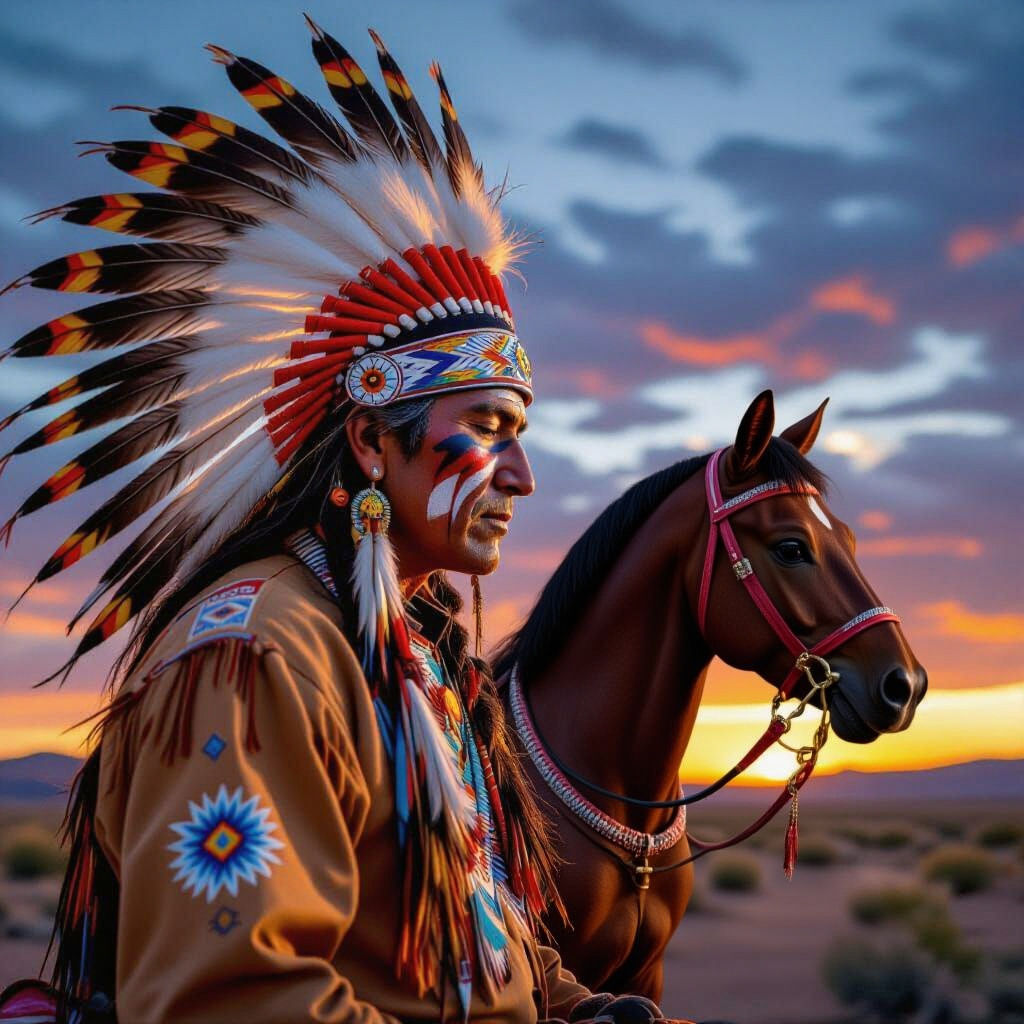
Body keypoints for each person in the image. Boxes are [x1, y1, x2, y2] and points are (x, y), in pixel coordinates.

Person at [0, 18, 695, 1024]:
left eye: (518, 434)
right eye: (486, 430)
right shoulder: (252, 661)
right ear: (371, 441)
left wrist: (574, 1004)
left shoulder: (413, 659)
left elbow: (468, 934)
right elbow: (225, 1001)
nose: (522, 476)